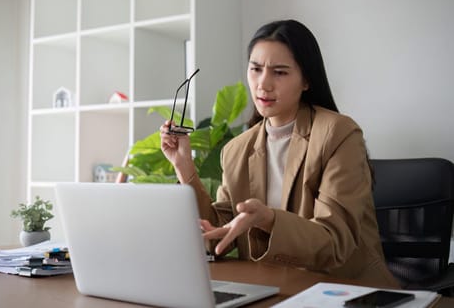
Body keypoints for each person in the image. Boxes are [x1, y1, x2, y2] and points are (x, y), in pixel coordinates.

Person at [160, 20, 399, 287]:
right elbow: (219, 235)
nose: (263, 84)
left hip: (343, 289)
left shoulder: (338, 133)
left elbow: (335, 242)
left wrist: (270, 220)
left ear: (306, 79)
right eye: (256, 69)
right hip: (272, 287)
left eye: (280, 72)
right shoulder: (237, 149)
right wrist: (184, 168)